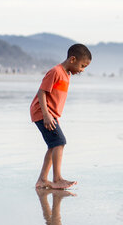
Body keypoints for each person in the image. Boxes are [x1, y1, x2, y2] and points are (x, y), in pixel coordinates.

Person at [30, 44, 92, 190]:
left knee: (54, 145)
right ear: (72, 59)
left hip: (50, 114)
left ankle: (42, 180)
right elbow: (41, 92)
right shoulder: (56, 71)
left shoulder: (66, 74)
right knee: (59, 141)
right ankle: (57, 179)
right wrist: (46, 115)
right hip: (42, 112)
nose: (82, 70)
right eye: (82, 66)